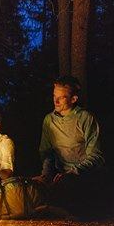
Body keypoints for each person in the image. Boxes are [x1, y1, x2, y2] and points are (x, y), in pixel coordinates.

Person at [33, 76, 104, 209]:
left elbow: (96, 156)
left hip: (81, 175)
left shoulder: (85, 118)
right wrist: (46, 175)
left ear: (73, 99)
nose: (56, 101)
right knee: (30, 188)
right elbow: (47, 152)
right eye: (54, 96)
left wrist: (73, 172)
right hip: (57, 175)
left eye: (62, 97)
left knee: (67, 193)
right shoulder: (49, 120)